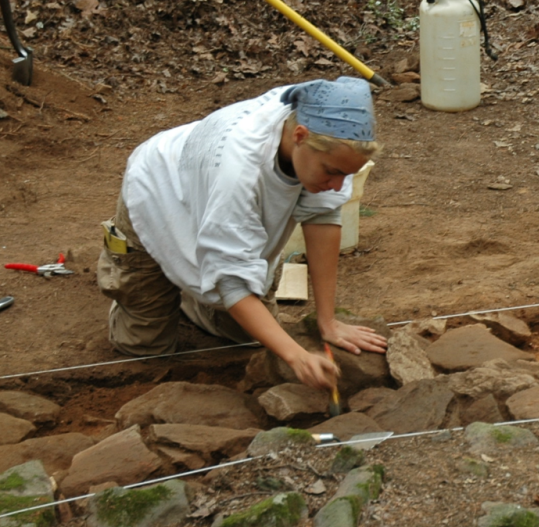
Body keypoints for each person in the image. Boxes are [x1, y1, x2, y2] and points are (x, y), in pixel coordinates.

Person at [96, 76, 388, 389]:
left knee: (247, 336)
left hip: (218, 205)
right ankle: (160, 284)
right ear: (299, 136)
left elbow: (323, 214)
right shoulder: (238, 168)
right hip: (158, 198)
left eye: (347, 175)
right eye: (332, 172)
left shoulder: (319, 122)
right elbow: (232, 281)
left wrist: (327, 322)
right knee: (146, 349)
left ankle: (196, 292)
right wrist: (297, 356)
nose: (338, 185)